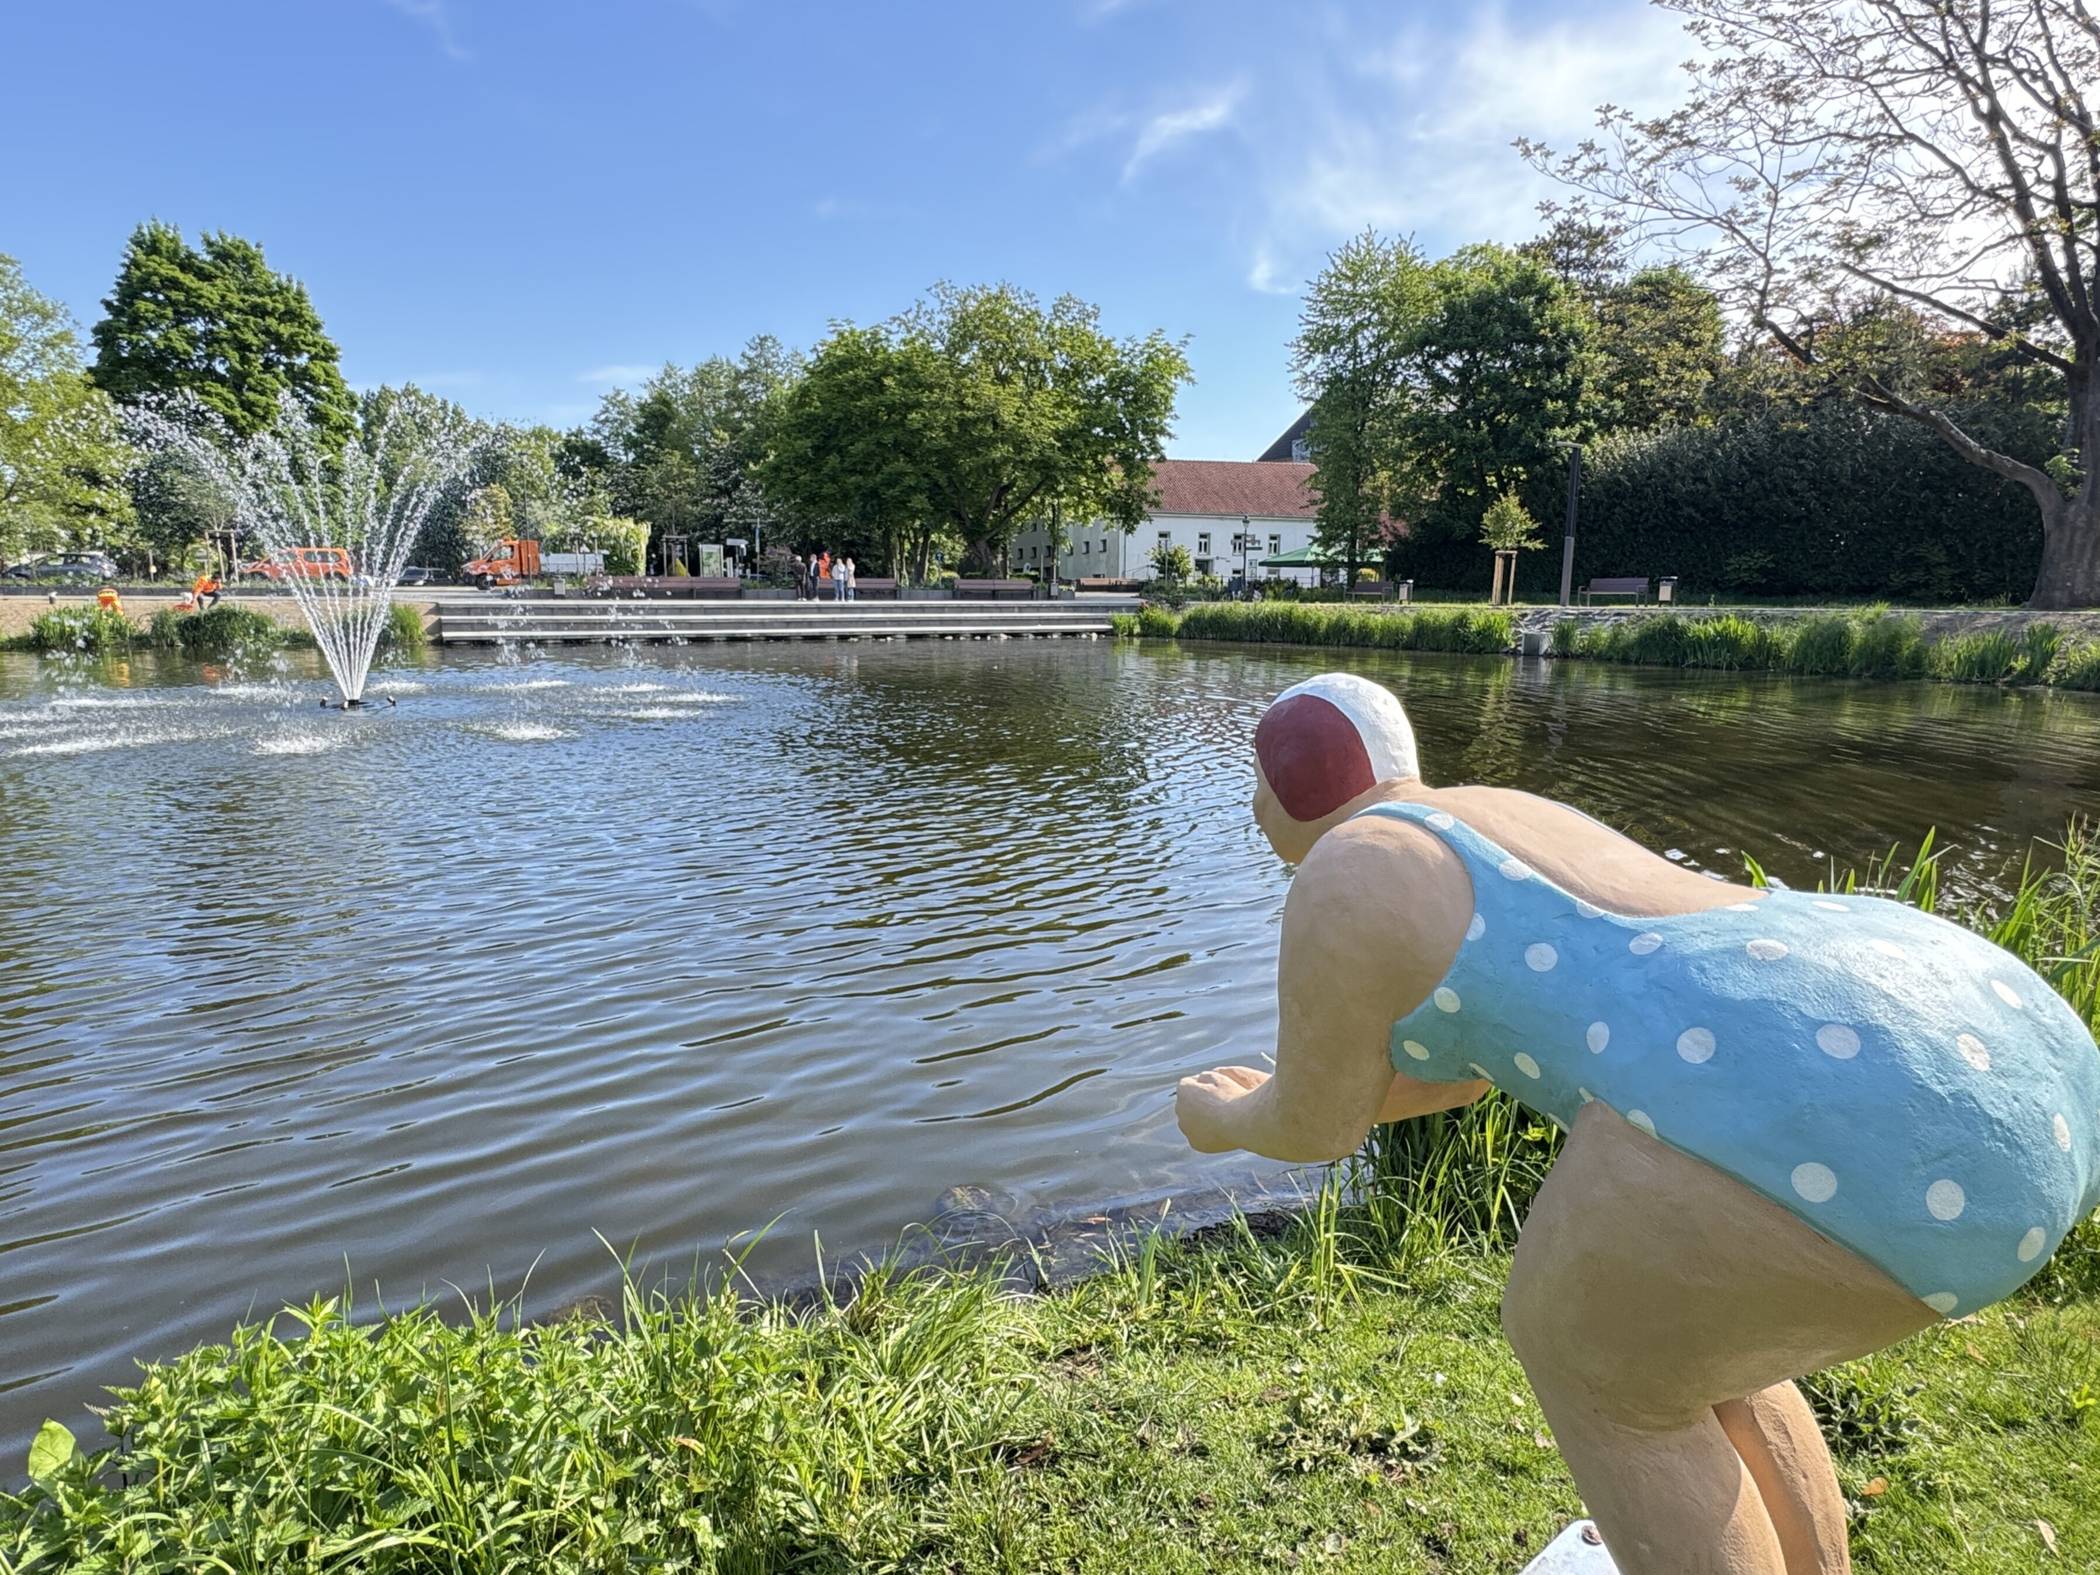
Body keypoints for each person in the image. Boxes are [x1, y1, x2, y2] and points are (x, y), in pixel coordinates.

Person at [1176, 672, 2100, 1575]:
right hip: (1984, 1050)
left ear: (1303, 779)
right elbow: (1451, 1072)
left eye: (1260, 786)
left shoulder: (1350, 867)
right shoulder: (1486, 811)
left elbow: (1318, 1123)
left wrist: (1222, 1115)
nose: (1256, 813)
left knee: (1598, 1364)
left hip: (1833, 1106)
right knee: (1692, 1333)